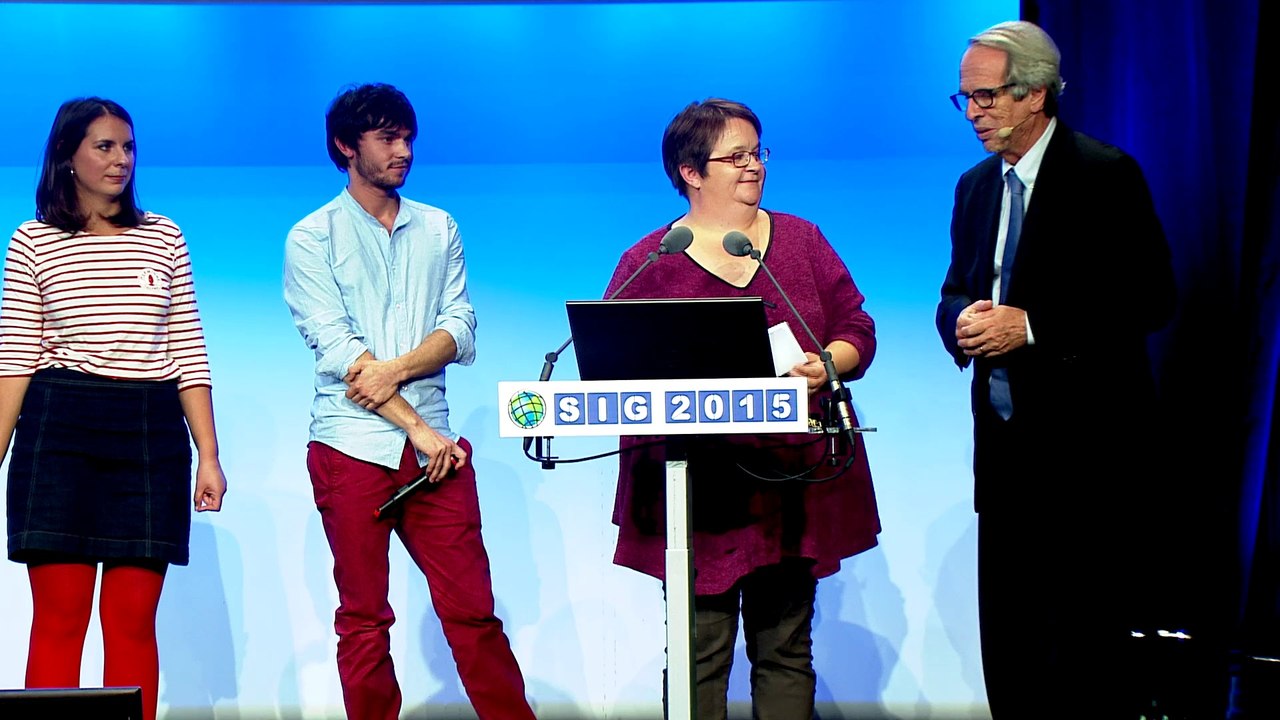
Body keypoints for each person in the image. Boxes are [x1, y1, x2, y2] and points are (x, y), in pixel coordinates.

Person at [606, 98, 879, 720]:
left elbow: (855, 323)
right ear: (691, 172)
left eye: (758, 153)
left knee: (786, 648)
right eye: (736, 157)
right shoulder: (652, 260)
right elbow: (613, 366)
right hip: (697, 490)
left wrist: (828, 362)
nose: (753, 166)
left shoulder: (802, 240)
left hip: (791, 477)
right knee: (700, 651)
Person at [937, 21, 1176, 719]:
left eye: (986, 97)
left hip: (1086, 452)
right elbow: (956, 286)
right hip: (1004, 449)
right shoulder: (976, 186)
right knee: (1008, 638)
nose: (974, 113)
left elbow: (1151, 298)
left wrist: (1032, 327)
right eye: (965, 99)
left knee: (1082, 646)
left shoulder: (1104, 174)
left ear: (1036, 93)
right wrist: (961, 321)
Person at [283, 83, 535, 720]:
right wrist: (417, 428)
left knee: (473, 611)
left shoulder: (439, 226)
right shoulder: (312, 237)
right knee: (364, 617)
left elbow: (461, 328)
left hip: (436, 453)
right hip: (350, 446)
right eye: (386, 138)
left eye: (407, 137)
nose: (403, 150)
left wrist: (398, 376)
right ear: (346, 146)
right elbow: (342, 354)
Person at [0, 97, 226, 720]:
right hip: (59, 427)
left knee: (131, 621)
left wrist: (209, 455)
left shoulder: (165, 237)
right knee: (59, 618)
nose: (120, 159)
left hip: (148, 434)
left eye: (128, 147)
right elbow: (15, 359)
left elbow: (187, 351)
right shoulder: (33, 241)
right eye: (104, 146)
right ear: (67, 156)